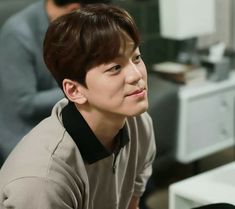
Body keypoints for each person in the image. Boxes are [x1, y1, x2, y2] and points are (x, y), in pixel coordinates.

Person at [0, 4, 156, 209]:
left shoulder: (139, 125)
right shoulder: (44, 180)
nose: (136, 75)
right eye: (115, 68)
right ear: (74, 91)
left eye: (136, 57)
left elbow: (131, 205)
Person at [0, 0, 110, 165]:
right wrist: (83, 87)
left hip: (66, 121)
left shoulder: (66, 24)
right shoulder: (18, 34)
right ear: (74, 9)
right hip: (26, 136)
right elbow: (23, 104)